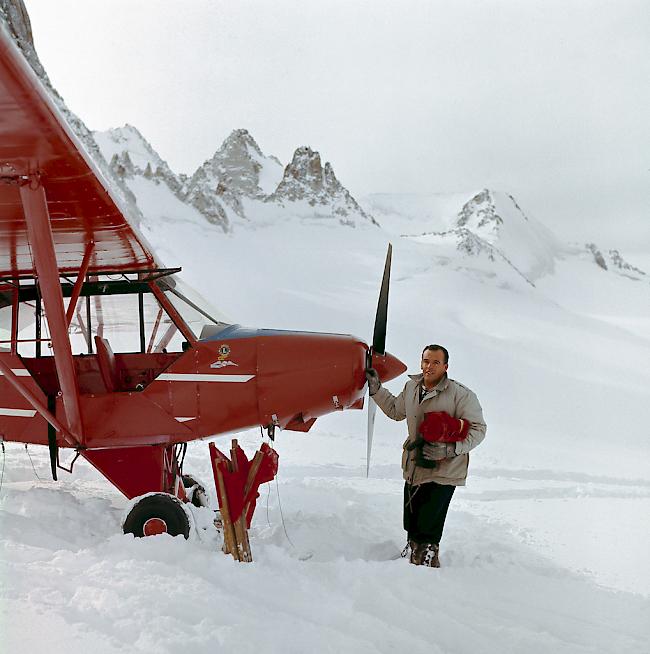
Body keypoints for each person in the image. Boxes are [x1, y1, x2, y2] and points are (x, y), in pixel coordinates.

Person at [366, 344, 486, 567]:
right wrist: (376, 389)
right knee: (411, 520)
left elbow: (479, 430)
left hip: (445, 468)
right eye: (426, 361)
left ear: (446, 366)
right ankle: (412, 557)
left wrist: (451, 450)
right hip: (416, 465)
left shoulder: (462, 395)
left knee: (428, 524)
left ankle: (426, 565)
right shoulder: (412, 387)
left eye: (436, 362)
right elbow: (395, 410)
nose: (429, 367)